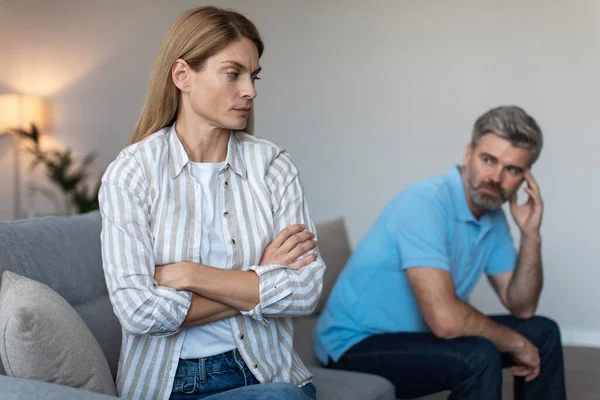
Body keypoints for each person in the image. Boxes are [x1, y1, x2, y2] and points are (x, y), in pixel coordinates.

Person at [99, 6, 324, 400]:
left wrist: (189, 273)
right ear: (183, 75)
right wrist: (261, 279)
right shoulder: (132, 172)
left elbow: (305, 290)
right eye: (233, 74)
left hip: (268, 369)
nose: (250, 90)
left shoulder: (273, 165)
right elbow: (137, 312)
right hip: (171, 385)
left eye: (253, 77)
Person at [315, 105, 566, 399]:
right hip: (356, 343)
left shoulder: (492, 214)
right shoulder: (424, 203)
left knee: (543, 332)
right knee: (479, 355)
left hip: (420, 335)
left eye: (511, 169)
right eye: (488, 160)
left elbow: (522, 307)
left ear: (525, 178)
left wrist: (531, 235)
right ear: (468, 154)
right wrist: (517, 344)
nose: (495, 178)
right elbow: (446, 321)